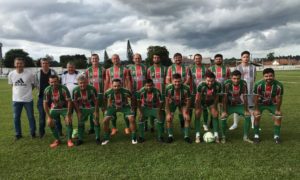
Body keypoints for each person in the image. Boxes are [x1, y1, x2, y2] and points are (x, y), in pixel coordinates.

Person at [220, 70, 252, 143]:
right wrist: (224, 111)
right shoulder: (226, 83)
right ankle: (223, 137)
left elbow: (245, 97)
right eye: (234, 78)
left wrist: (246, 110)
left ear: (241, 78)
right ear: (231, 78)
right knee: (223, 117)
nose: (236, 80)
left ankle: (246, 137)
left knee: (248, 116)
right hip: (228, 105)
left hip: (238, 105)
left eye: (238, 78)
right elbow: (224, 98)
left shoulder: (243, 83)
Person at [102, 79, 137, 145]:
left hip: (125, 107)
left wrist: (132, 107)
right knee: (105, 120)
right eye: (115, 86)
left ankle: (134, 137)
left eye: (118, 86)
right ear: (111, 85)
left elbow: (132, 98)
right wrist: (105, 108)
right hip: (112, 107)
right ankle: (106, 138)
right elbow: (104, 99)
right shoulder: (108, 92)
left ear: (121, 85)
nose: (116, 88)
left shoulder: (126, 91)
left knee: (132, 119)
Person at [8, 57, 36, 140]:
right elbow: (12, 85)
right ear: (14, 64)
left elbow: (33, 85)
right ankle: (18, 134)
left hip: (28, 99)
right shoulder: (11, 74)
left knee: (31, 117)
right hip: (16, 100)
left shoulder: (30, 74)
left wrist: (27, 92)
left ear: (24, 64)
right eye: (17, 63)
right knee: (16, 117)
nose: (19, 65)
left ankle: (33, 133)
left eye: (21, 63)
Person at [253, 68, 283, 144]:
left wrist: (278, 110)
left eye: (270, 76)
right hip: (260, 103)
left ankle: (276, 136)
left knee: (278, 116)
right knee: (257, 116)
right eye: (266, 76)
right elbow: (256, 98)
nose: (268, 78)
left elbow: (279, 98)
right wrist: (256, 109)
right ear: (263, 77)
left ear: (274, 76)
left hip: (272, 104)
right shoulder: (258, 84)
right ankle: (256, 135)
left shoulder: (279, 85)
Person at [104, 54, 132, 135]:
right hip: (112, 94)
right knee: (112, 110)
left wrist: (129, 91)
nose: (115, 60)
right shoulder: (108, 70)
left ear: (119, 59)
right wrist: (105, 91)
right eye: (113, 59)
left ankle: (127, 127)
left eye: (117, 58)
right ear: (112, 60)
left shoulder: (125, 70)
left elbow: (127, 81)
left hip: (123, 93)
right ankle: (114, 128)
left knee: (125, 109)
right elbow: (107, 81)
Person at [43, 75, 74, 148]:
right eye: (51, 82)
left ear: (58, 81)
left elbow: (69, 101)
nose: (54, 83)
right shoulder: (47, 89)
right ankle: (57, 140)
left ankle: (69, 140)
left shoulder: (64, 88)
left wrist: (68, 114)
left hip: (65, 108)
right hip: (54, 109)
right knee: (49, 122)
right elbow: (45, 103)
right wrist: (49, 117)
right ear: (49, 82)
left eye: (55, 81)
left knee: (68, 121)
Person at [35, 58, 62, 138]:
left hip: (53, 97)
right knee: (42, 116)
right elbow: (36, 83)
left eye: (46, 63)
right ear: (41, 64)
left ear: (49, 64)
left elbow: (58, 81)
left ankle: (59, 131)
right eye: (43, 63)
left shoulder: (53, 72)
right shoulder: (37, 73)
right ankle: (41, 133)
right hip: (41, 98)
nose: (45, 64)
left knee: (56, 115)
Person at [229, 51, 256, 130]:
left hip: (250, 91)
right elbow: (234, 80)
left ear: (249, 57)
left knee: (251, 107)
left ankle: (253, 124)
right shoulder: (237, 68)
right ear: (241, 58)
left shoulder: (253, 67)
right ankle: (235, 124)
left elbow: (253, 79)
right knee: (237, 107)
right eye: (244, 57)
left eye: (247, 57)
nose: (246, 58)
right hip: (239, 91)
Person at [166, 53, 192, 129]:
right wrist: (173, 87)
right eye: (176, 58)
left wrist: (181, 87)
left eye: (179, 58)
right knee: (171, 111)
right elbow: (167, 80)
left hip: (183, 92)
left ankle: (182, 123)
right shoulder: (170, 68)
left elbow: (188, 79)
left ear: (181, 59)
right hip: (173, 93)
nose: (177, 59)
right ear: (174, 59)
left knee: (182, 110)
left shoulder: (186, 68)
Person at [72, 74, 100, 145]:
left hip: (92, 108)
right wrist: (78, 112)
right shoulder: (75, 90)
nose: (82, 84)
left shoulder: (92, 89)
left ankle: (97, 138)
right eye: (81, 83)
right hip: (82, 108)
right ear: (78, 83)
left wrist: (96, 111)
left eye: (84, 82)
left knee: (96, 121)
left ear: (87, 82)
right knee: (80, 122)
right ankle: (80, 139)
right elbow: (74, 102)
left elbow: (96, 101)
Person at [195, 71, 222, 143]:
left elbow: (216, 97)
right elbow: (198, 98)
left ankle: (216, 135)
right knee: (197, 114)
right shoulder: (201, 85)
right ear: (205, 79)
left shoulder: (218, 85)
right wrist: (198, 108)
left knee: (215, 114)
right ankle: (197, 135)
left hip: (211, 102)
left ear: (215, 80)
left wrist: (214, 107)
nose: (210, 83)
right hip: (202, 101)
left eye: (212, 81)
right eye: (208, 81)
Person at [165, 73, 192, 143]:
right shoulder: (168, 88)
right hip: (172, 103)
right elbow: (167, 102)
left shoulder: (186, 88)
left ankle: (186, 136)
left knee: (187, 118)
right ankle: (170, 136)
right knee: (169, 118)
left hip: (182, 103)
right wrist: (168, 113)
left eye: (179, 81)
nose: (177, 83)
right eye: (175, 81)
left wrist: (186, 112)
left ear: (181, 81)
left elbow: (188, 101)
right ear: (172, 81)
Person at [85, 54, 105, 135]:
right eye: (93, 59)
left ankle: (106, 126)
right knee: (92, 111)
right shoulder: (87, 70)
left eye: (96, 58)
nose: (94, 60)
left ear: (98, 59)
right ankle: (92, 128)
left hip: (101, 93)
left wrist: (105, 92)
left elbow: (106, 81)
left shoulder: (103, 69)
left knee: (104, 110)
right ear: (91, 60)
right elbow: (85, 82)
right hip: (91, 94)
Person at [146, 54, 167, 132]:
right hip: (152, 93)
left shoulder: (165, 68)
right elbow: (148, 82)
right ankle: (152, 126)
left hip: (163, 93)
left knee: (162, 110)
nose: (156, 59)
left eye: (158, 57)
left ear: (160, 58)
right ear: (152, 59)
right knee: (152, 109)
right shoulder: (149, 69)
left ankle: (163, 125)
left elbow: (167, 81)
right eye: (154, 57)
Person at [190, 54, 209, 131]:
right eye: (196, 58)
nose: (197, 60)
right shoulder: (190, 69)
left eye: (199, 58)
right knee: (191, 108)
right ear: (194, 60)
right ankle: (190, 123)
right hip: (193, 92)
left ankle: (205, 124)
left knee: (204, 108)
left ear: (201, 59)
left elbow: (208, 79)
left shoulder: (206, 69)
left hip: (203, 92)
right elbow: (189, 79)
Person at [127, 53, 147, 124]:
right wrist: (130, 90)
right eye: (136, 58)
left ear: (141, 59)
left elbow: (148, 79)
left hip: (144, 91)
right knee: (134, 108)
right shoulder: (130, 68)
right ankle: (133, 123)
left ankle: (144, 124)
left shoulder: (145, 67)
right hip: (134, 91)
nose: (137, 60)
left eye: (138, 58)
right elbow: (128, 80)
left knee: (144, 107)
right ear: (133, 59)